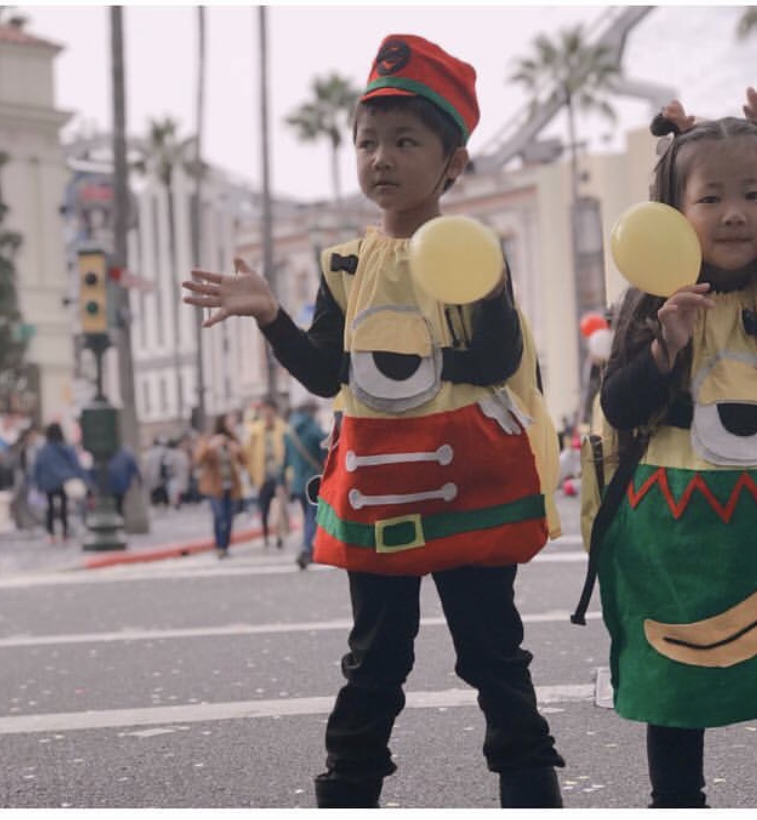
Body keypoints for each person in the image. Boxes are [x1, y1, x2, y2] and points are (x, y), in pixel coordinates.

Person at [182, 33, 566, 808]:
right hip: (376, 482)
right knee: (375, 656)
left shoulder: (470, 250)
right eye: (367, 143)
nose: (381, 158)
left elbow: (494, 359)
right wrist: (271, 319)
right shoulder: (342, 264)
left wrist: (452, 323)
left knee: (493, 653)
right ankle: (347, 792)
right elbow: (330, 374)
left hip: (471, 477)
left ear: (452, 162)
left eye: (404, 142)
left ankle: (531, 794)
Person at [578, 94, 757, 809]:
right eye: (711, 197)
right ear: (674, 212)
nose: (734, 212)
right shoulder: (653, 303)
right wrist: (665, 345)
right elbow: (619, 405)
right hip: (676, 536)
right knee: (675, 683)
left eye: (753, 194)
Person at [193, 415, 246, 559]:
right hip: (214, 486)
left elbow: (244, 460)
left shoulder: (233, 439)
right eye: (230, 421)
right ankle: (219, 546)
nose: (232, 424)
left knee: (229, 517)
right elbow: (199, 459)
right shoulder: (209, 439)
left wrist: (238, 450)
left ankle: (225, 546)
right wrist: (211, 446)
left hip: (231, 485)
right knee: (220, 516)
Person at [284, 400, 327, 570]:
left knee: (307, 515)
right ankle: (307, 548)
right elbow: (326, 446)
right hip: (313, 479)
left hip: (297, 481)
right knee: (313, 516)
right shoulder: (312, 428)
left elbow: (286, 459)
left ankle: (307, 546)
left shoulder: (289, 431)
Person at [28, 422, 88, 544]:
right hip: (64, 480)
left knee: (50, 508)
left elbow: (37, 467)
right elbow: (75, 463)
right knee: (64, 507)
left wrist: (36, 483)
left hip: (48, 482)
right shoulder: (66, 448)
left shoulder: (43, 450)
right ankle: (65, 533)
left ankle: (51, 534)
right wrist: (80, 477)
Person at [243, 398, 291, 549]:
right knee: (263, 508)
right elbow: (248, 454)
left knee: (279, 507)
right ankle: (265, 535)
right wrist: (251, 474)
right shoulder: (255, 431)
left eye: (270, 411)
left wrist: (289, 473)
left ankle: (279, 535)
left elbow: (288, 451)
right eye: (265, 411)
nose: (267, 414)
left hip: (279, 475)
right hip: (262, 475)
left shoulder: (283, 428)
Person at [105, 444, 143, 517]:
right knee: (120, 499)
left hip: (111, 481)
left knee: (117, 499)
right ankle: (120, 514)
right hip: (122, 482)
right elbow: (135, 470)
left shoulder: (115, 454)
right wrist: (140, 481)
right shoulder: (129, 456)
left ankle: (119, 513)